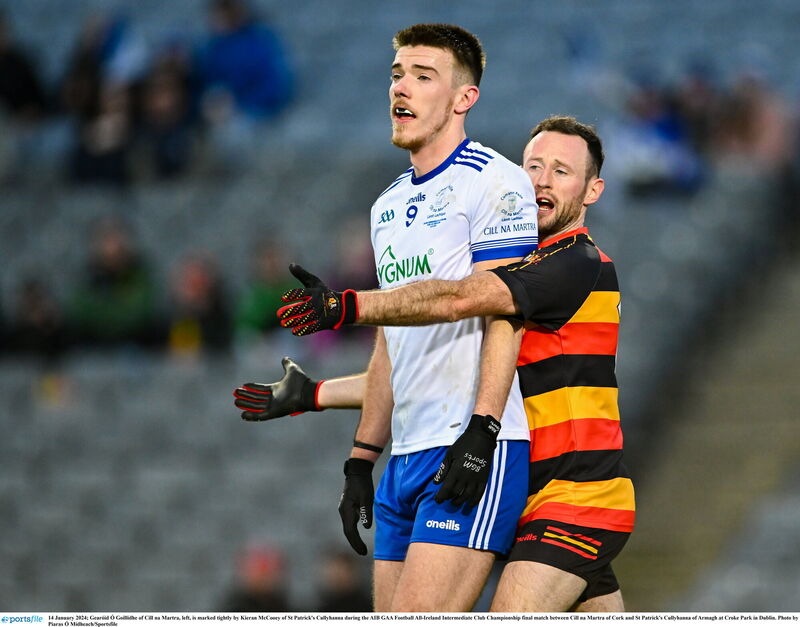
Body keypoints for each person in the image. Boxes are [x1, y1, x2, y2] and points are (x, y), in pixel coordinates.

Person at [236, 116, 635, 611]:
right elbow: (439, 376)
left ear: (592, 191)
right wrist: (315, 394)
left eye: (561, 171)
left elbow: (457, 299)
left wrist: (347, 305)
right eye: (533, 166)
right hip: (532, 493)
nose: (542, 181)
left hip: (576, 495)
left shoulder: (575, 262)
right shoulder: (524, 263)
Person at [237, 23, 538, 612]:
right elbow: (391, 346)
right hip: (405, 454)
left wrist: (483, 430)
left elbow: (500, 309)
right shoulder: (387, 205)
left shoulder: (498, 182)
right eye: (397, 74)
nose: (401, 87)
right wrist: (361, 460)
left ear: (464, 98)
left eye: (423, 76)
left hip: (469, 444)